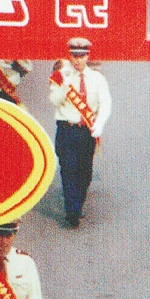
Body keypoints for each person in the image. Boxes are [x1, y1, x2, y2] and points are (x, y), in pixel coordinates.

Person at [49, 36, 111, 228]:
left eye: (81, 56)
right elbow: (54, 101)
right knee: (68, 169)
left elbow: (106, 103)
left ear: (87, 56)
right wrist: (65, 86)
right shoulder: (60, 76)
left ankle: (77, 202)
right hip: (66, 129)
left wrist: (100, 123)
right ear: (70, 56)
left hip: (86, 132)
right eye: (74, 56)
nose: (77, 60)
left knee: (85, 173)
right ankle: (72, 211)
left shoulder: (97, 79)